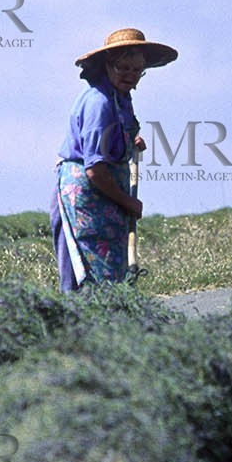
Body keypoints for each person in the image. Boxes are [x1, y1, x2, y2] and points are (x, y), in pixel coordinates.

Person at [51, 27, 178, 291]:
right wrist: (128, 202)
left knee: (112, 276)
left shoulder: (120, 98)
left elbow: (114, 139)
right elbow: (95, 168)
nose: (131, 76)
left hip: (105, 195)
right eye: (123, 68)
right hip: (87, 196)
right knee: (90, 276)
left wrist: (131, 144)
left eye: (137, 70)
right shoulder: (99, 102)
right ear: (108, 66)